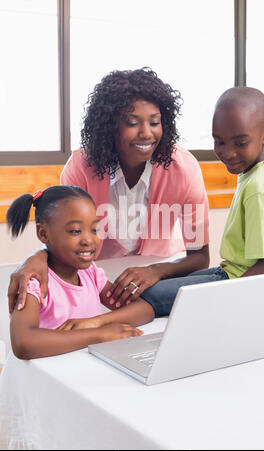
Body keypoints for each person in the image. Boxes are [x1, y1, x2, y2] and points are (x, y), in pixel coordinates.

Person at [7, 67, 210, 312]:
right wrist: (38, 256)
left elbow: (200, 257)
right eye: (132, 123)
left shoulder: (184, 169)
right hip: (96, 280)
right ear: (110, 126)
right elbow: (62, 237)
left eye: (154, 122)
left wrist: (155, 271)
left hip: (161, 274)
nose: (146, 133)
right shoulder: (81, 168)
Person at [140, 86, 264, 316]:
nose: (228, 152)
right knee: (157, 284)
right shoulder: (257, 171)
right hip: (231, 271)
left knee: (153, 295)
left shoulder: (262, 189)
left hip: (250, 281)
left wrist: (224, 300)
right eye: (219, 142)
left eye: (240, 143)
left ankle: (106, 325)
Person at [6, 185, 155, 359]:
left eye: (94, 230)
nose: (88, 240)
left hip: (84, 367)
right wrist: (99, 335)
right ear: (43, 233)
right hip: (47, 376)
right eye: (75, 231)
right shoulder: (35, 282)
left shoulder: (90, 274)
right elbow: (24, 343)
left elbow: (145, 309)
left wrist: (95, 323)